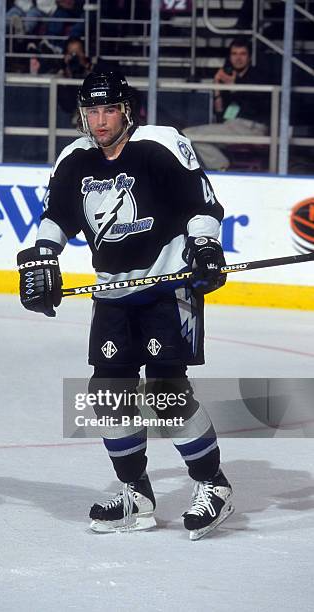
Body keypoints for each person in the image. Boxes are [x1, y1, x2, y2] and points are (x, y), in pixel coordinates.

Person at [17, 71, 234, 539]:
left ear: (126, 109)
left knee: (166, 392)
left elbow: (202, 203)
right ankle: (135, 492)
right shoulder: (75, 158)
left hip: (166, 285)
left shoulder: (160, 144)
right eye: (91, 111)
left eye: (108, 109)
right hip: (112, 292)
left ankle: (212, 485)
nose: (99, 121)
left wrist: (205, 245)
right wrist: (42, 255)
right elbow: (57, 216)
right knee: (107, 393)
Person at [184, 37, 270, 171]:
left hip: (252, 128)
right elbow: (221, 114)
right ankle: (222, 166)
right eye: (234, 54)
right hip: (230, 125)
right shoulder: (228, 76)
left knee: (188, 135)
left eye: (243, 54)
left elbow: (256, 108)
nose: (238, 58)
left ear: (250, 57)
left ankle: (222, 167)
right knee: (186, 135)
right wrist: (217, 87)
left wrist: (235, 85)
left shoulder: (258, 75)